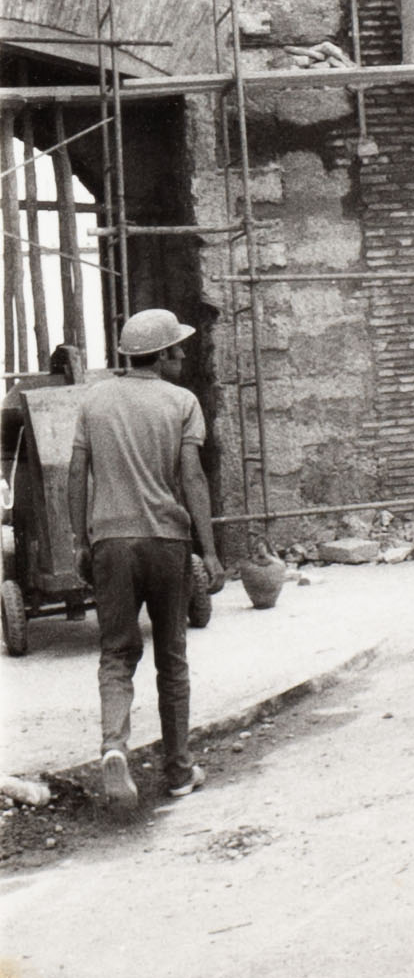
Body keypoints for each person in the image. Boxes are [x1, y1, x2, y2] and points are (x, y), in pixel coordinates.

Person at [68, 308, 225, 808]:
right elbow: (192, 478)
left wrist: (81, 540)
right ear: (161, 355)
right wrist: (210, 551)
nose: (183, 355)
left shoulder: (94, 400)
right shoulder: (182, 402)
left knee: (116, 653)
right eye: (178, 348)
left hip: (111, 543)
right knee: (171, 659)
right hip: (167, 543)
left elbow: (76, 473)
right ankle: (178, 771)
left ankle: (114, 747)